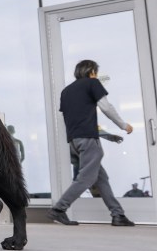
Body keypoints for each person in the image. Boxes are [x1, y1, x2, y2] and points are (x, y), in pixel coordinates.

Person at [47, 60, 136, 227]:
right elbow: (106, 107)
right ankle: (59, 209)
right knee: (85, 179)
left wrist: (108, 136)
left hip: (74, 142)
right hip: (88, 141)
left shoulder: (66, 91)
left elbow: (78, 119)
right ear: (92, 71)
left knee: (101, 178)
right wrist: (123, 125)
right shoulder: (92, 83)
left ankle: (118, 215)